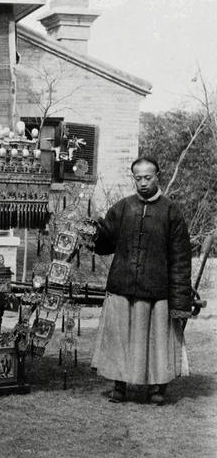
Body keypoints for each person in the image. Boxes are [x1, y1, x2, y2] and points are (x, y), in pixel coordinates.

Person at [91, 156, 192, 405]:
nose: (143, 182)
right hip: (123, 286)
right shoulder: (122, 208)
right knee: (120, 338)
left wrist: (180, 302)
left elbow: (180, 260)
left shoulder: (171, 212)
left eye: (148, 177)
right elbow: (104, 245)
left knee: (156, 342)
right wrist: (92, 228)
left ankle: (157, 388)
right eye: (138, 178)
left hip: (157, 290)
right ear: (133, 178)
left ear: (158, 176)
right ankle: (119, 386)